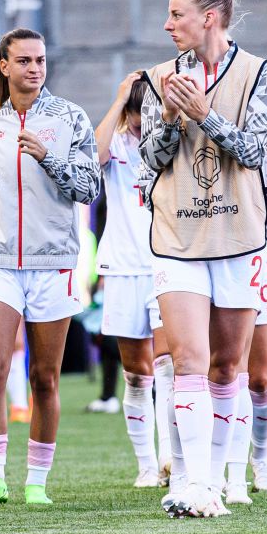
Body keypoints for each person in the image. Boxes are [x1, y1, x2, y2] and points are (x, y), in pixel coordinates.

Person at [139, 0, 267, 518]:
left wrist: (203, 114)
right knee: (189, 361)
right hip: (177, 236)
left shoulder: (257, 72)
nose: (168, 25)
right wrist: (173, 121)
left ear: (210, 18)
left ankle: (221, 480)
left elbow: (253, 150)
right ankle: (195, 482)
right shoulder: (159, 79)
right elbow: (151, 158)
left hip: (238, 237)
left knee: (228, 367)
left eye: (176, 14)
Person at [0, 28, 101, 507]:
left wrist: (49, 158)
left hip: (54, 262)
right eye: (24, 60)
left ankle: (36, 480)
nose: (34, 68)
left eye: (41, 60)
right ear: (5, 66)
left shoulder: (70, 117)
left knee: (45, 378)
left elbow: (89, 187)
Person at [93, 71, 165, 487]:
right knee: (137, 373)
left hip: (166, 264)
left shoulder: (171, 141)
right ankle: (147, 464)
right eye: (134, 112)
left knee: (171, 366)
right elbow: (94, 157)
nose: (139, 121)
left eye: (144, 111)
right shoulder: (117, 142)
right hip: (122, 265)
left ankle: (176, 459)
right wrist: (119, 99)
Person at [223, 138, 267, 503]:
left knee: (259, 377)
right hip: (211, 259)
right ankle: (220, 469)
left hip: (254, 261)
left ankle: (260, 458)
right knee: (223, 372)